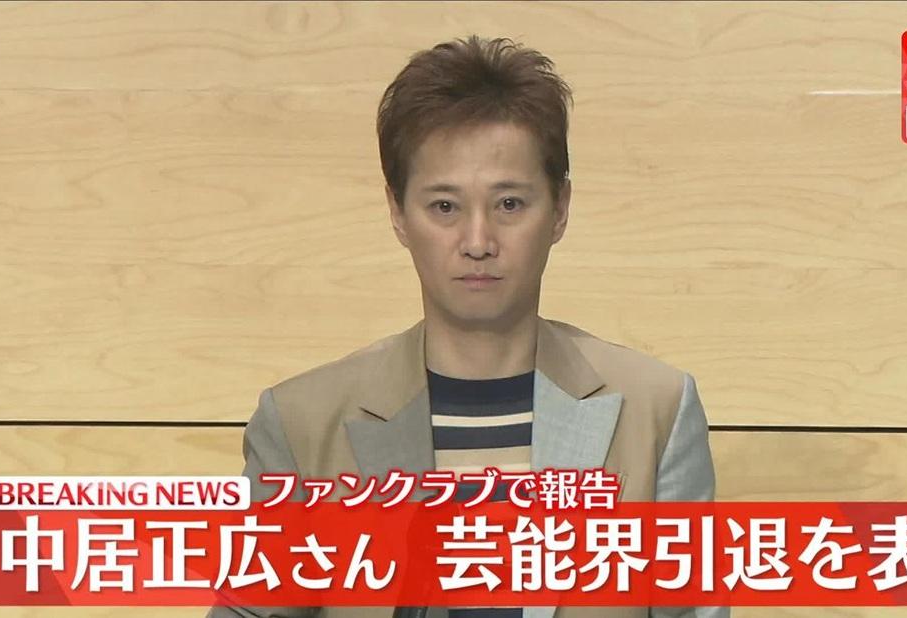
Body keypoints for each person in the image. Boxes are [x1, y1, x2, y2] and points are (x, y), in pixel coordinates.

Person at [208, 34, 725, 618]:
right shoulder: (303, 424)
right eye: (445, 207)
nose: (478, 242)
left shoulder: (656, 410)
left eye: (509, 204)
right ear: (397, 213)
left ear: (559, 209)